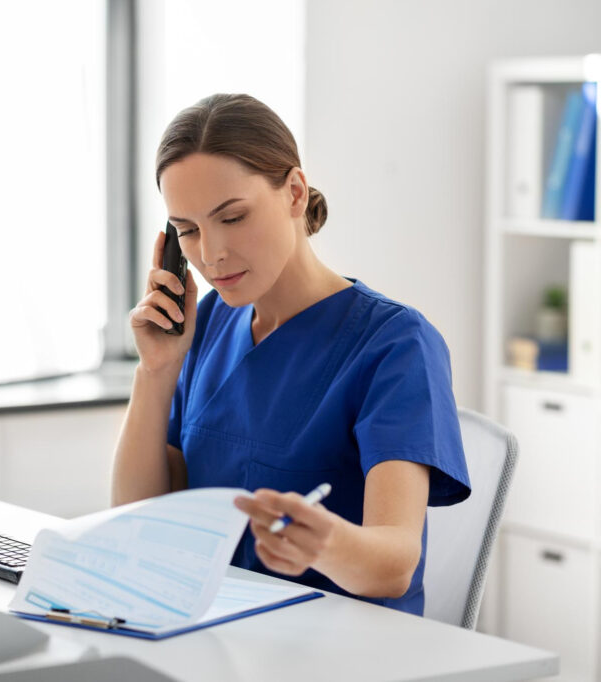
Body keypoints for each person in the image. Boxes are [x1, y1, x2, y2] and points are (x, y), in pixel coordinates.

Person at [111, 93, 471, 615]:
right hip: (217, 634)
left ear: (295, 193)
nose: (211, 254)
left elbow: (394, 564)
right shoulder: (205, 323)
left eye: (232, 217)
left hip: (344, 648)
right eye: (187, 231)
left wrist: (323, 542)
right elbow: (138, 520)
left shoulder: (395, 344)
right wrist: (157, 369)